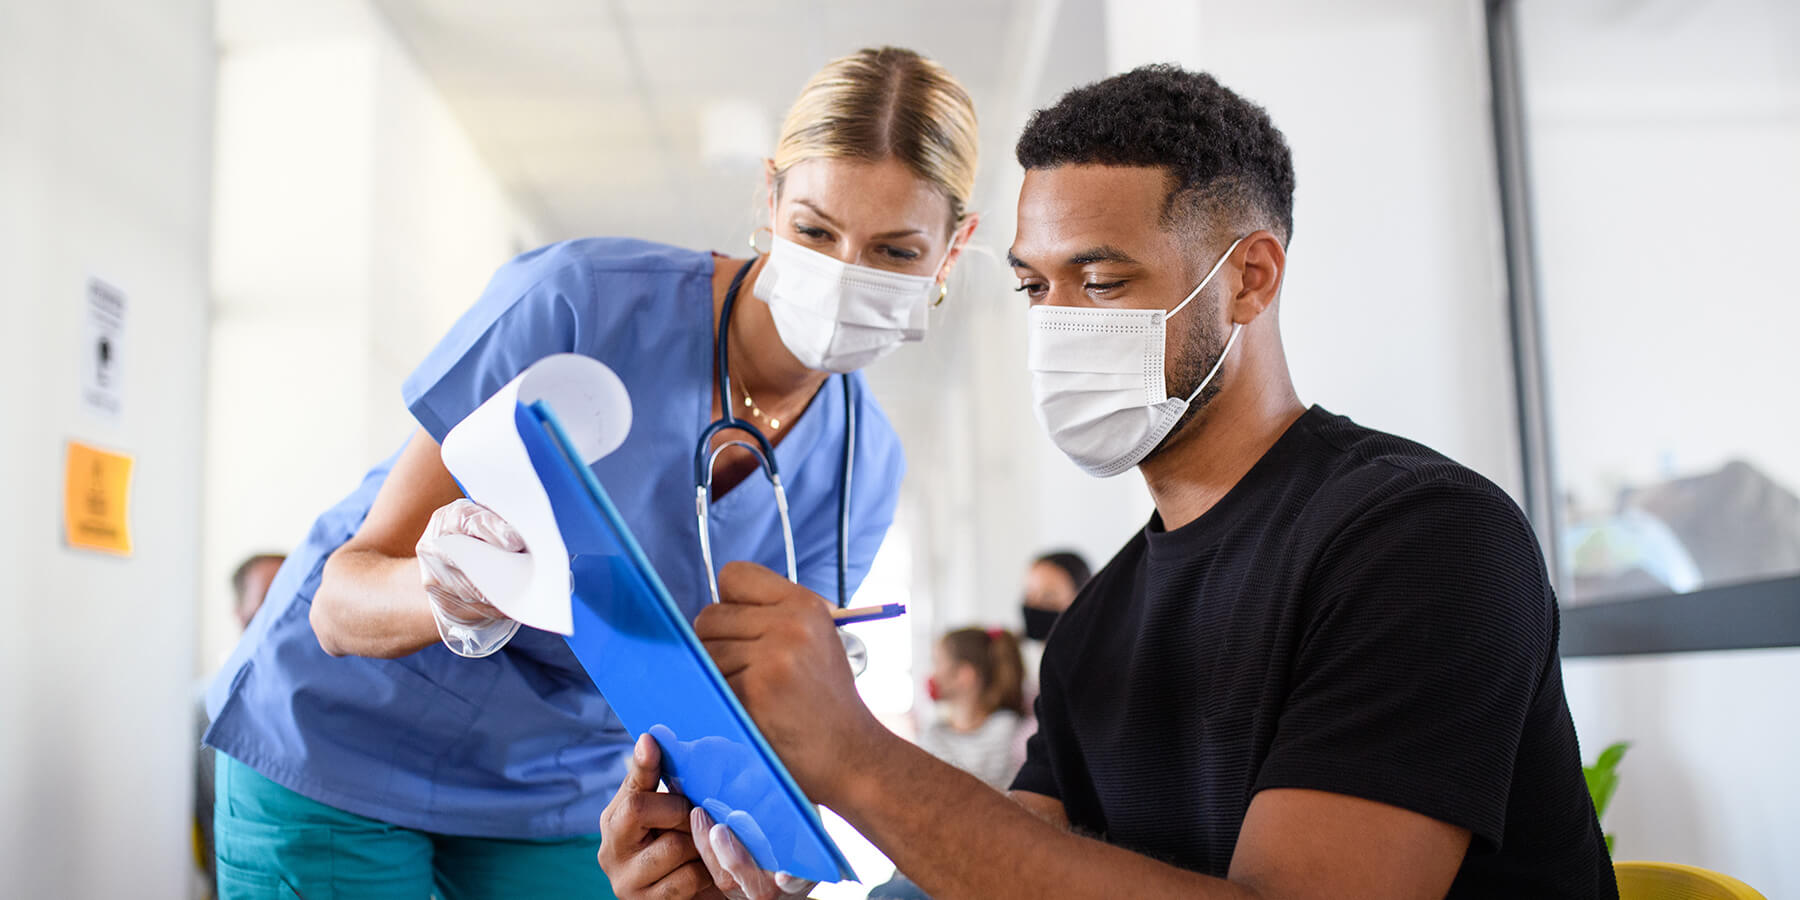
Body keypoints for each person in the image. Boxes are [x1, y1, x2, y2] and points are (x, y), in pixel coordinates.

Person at [601, 64, 1617, 899]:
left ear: (1250, 277)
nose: (1060, 323)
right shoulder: (1099, 622)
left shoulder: (1418, 540)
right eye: (1037, 286)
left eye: (1105, 279)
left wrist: (854, 753)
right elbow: (1002, 876)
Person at [202, 46, 981, 900]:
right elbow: (340, 602)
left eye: (895, 253)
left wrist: (772, 841)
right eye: (815, 231)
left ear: (953, 249)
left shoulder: (864, 466)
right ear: (769, 198)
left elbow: (752, 709)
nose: (842, 276)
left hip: (557, 792)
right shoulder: (577, 301)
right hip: (341, 742)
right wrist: (451, 590)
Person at [193, 553, 285, 896]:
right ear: (239, 611)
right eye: (266, 598)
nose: (280, 611)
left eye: (289, 595)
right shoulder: (204, 703)